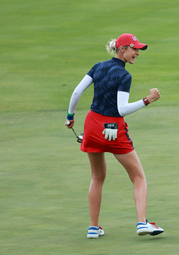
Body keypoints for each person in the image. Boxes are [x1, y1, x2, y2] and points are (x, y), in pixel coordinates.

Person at [65, 33, 164, 238]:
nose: (137, 52)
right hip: (114, 130)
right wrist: (147, 100)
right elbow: (121, 110)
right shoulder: (124, 76)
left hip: (92, 126)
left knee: (97, 177)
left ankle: (93, 228)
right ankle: (142, 223)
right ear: (122, 49)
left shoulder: (97, 67)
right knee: (138, 176)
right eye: (134, 49)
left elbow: (76, 92)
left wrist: (70, 116)